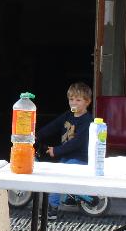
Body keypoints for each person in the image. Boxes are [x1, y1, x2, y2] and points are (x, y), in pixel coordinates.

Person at [37, 82, 93, 215]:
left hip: (80, 158)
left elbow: (77, 143)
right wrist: (37, 135)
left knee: (56, 175)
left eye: (78, 100)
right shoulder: (69, 115)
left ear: (87, 102)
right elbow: (54, 126)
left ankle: (52, 208)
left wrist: (56, 150)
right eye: (71, 99)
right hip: (67, 157)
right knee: (58, 170)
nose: (74, 103)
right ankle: (71, 197)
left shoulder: (87, 121)